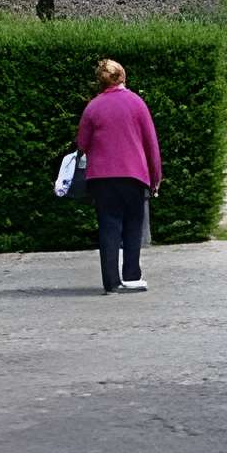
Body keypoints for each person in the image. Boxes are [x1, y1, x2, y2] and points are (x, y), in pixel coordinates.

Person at [77, 58, 163, 294]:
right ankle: (132, 276)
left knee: (108, 226)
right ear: (122, 77)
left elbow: (81, 144)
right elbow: (151, 144)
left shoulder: (93, 107)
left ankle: (111, 282)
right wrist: (156, 177)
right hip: (133, 175)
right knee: (133, 225)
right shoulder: (136, 103)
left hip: (101, 178)